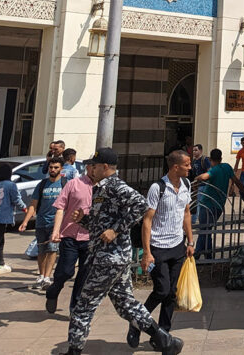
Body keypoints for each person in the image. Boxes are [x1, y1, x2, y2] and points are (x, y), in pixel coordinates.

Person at [63, 148, 182, 355]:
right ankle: (165, 340)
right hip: (108, 255)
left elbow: (140, 205)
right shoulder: (99, 189)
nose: (91, 169)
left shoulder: (116, 186)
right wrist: (84, 220)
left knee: (84, 305)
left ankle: (74, 351)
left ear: (105, 167)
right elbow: (102, 227)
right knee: (126, 304)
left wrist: (116, 230)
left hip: (109, 258)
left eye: (95, 165)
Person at [128, 149, 194, 348]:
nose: (190, 168)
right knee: (161, 290)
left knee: (171, 293)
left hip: (177, 246)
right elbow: (147, 221)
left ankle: (162, 334)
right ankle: (137, 322)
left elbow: (187, 214)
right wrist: (147, 252)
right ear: (176, 167)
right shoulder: (158, 188)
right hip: (158, 248)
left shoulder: (186, 184)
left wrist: (190, 241)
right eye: (187, 165)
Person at [46, 160, 96, 314]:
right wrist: (56, 231)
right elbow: (60, 208)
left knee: (84, 274)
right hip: (69, 235)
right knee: (66, 271)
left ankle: (75, 308)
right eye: (94, 166)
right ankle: (53, 291)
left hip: (90, 238)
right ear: (88, 168)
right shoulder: (73, 184)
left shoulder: (105, 189)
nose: (97, 170)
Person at [19, 155, 66, 289]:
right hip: (41, 222)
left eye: (56, 167)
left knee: (52, 249)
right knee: (41, 251)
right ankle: (41, 275)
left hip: (56, 224)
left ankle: (47, 277)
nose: (53, 169)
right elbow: (33, 205)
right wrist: (25, 222)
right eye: (51, 167)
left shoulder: (65, 184)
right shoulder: (42, 184)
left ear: (61, 169)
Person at [194, 149, 244, 258]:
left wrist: (197, 179)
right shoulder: (227, 167)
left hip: (207, 204)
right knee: (207, 229)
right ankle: (207, 256)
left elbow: (203, 176)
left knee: (204, 230)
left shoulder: (214, 170)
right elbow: (237, 181)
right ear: (221, 158)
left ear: (210, 160)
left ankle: (197, 256)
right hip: (219, 205)